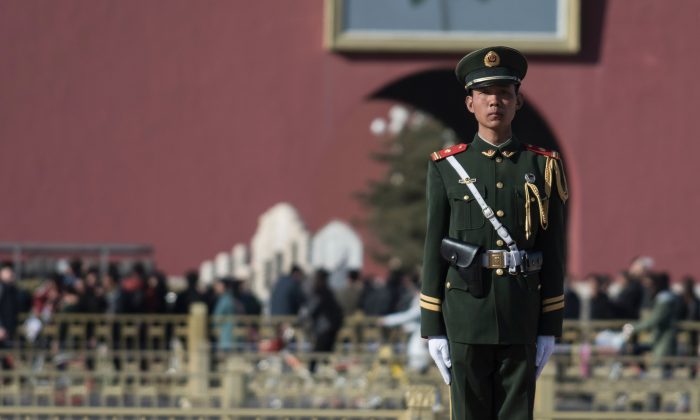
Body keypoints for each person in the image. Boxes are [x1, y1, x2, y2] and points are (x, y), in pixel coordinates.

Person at [420, 46, 568, 420]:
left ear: (518, 101)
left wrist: (550, 326)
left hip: (521, 314)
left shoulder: (542, 165)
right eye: (485, 94)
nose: (495, 102)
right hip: (466, 315)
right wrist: (432, 327)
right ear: (470, 103)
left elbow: (553, 249)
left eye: (504, 93)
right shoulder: (447, 167)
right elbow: (432, 248)